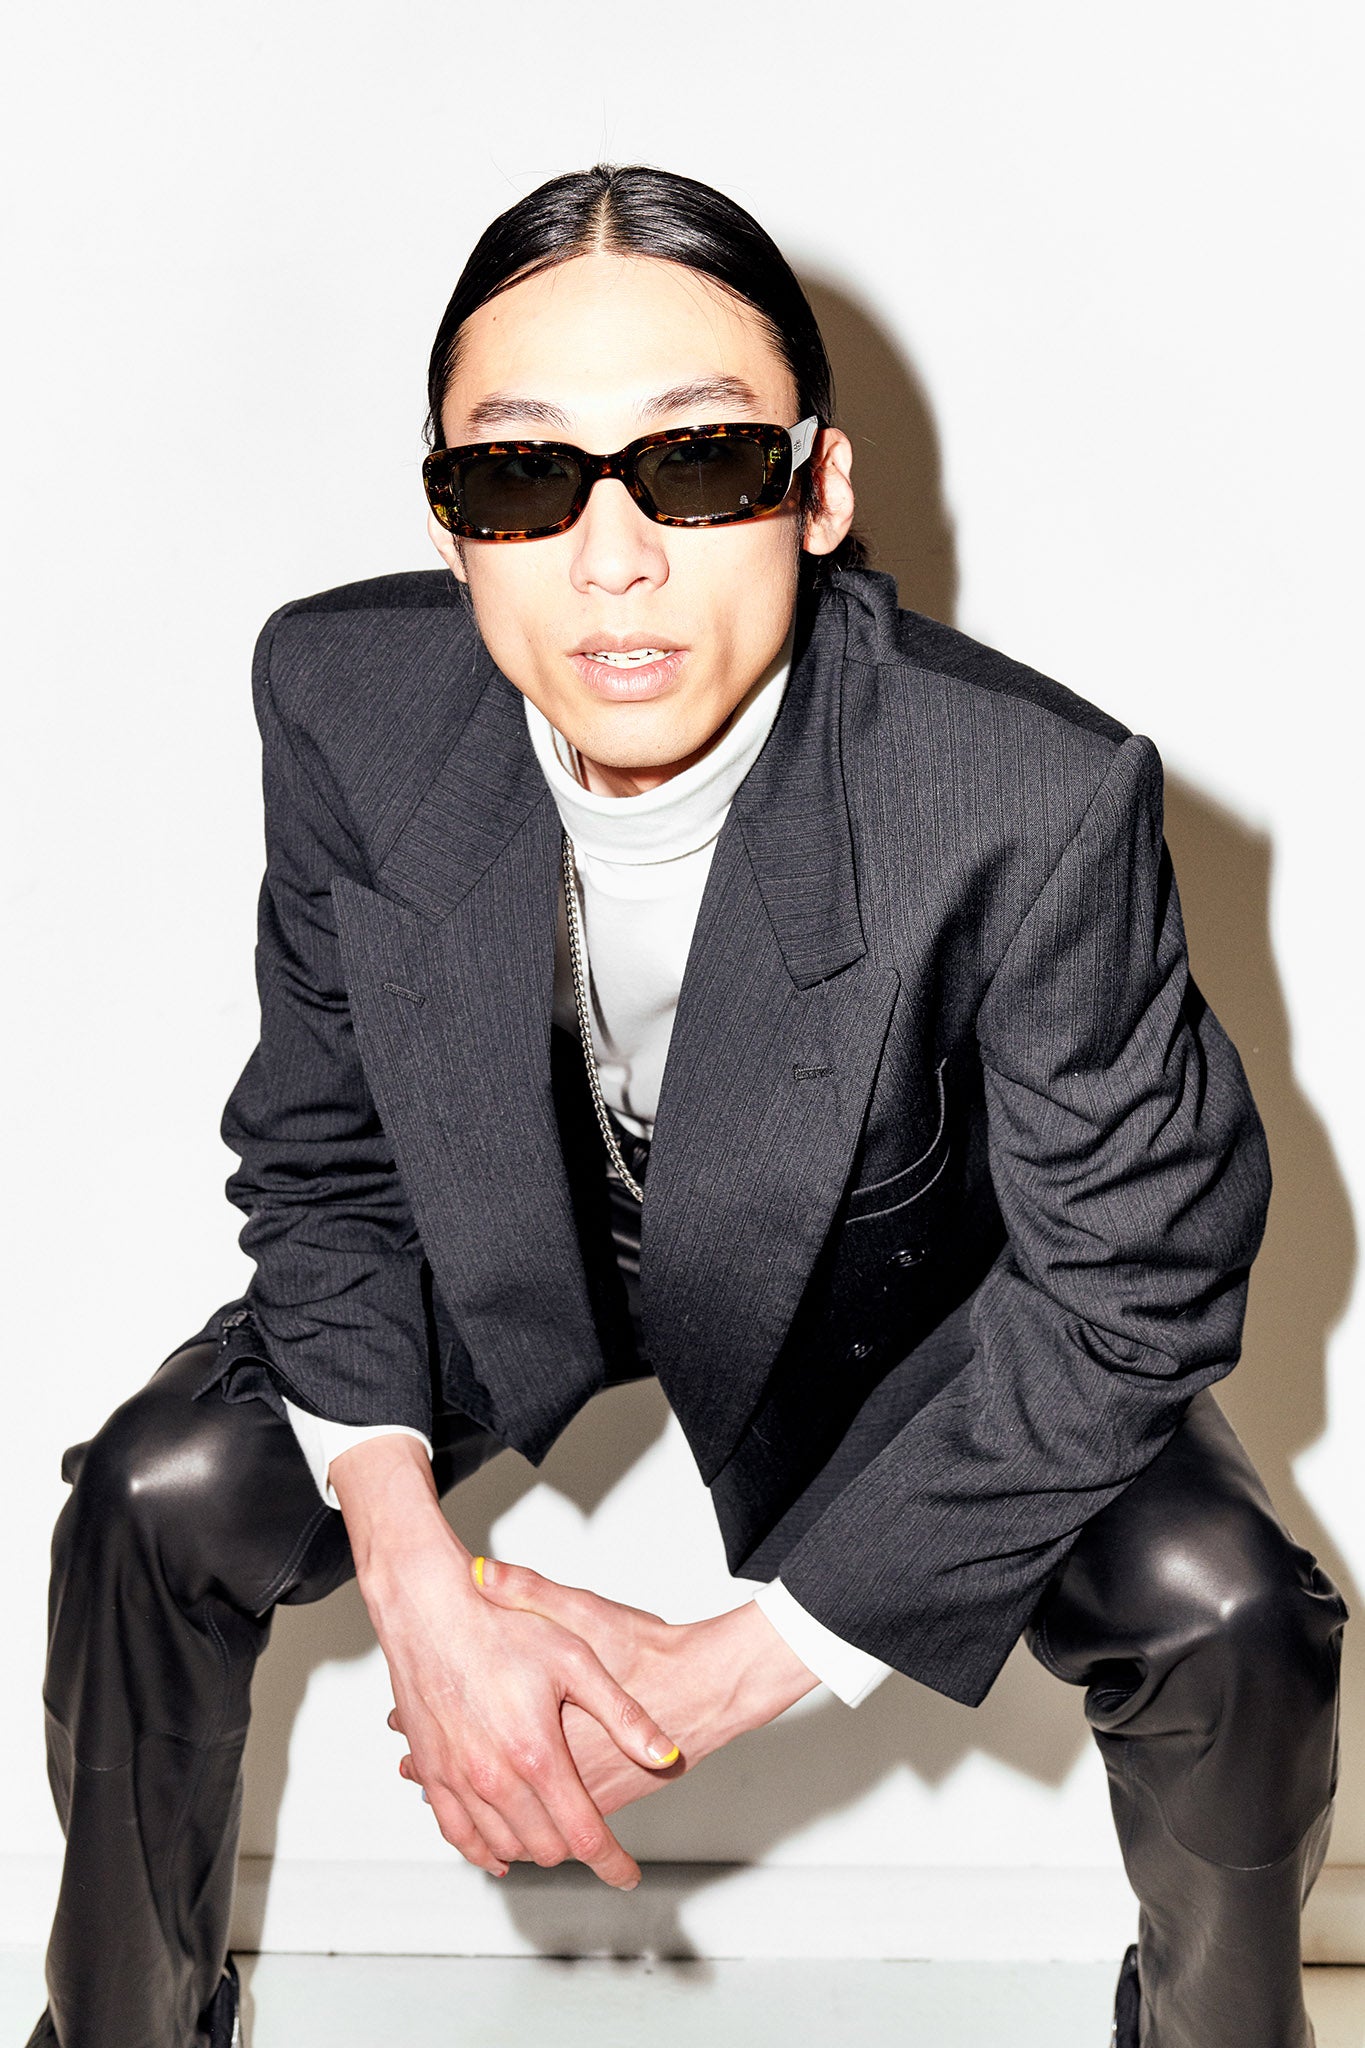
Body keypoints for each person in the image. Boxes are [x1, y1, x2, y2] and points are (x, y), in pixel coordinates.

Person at [29, 163, 1345, 2048]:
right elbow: (323, 1157)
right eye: (520, 476)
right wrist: (413, 1577)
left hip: (898, 1298)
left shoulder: (1022, 798)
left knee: (1228, 1607)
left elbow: (1133, 1285)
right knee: (152, 1495)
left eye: (700, 463)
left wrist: (734, 1669)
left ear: (819, 489)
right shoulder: (342, 700)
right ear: (447, 518)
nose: (612, 559)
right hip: (511, 1243)